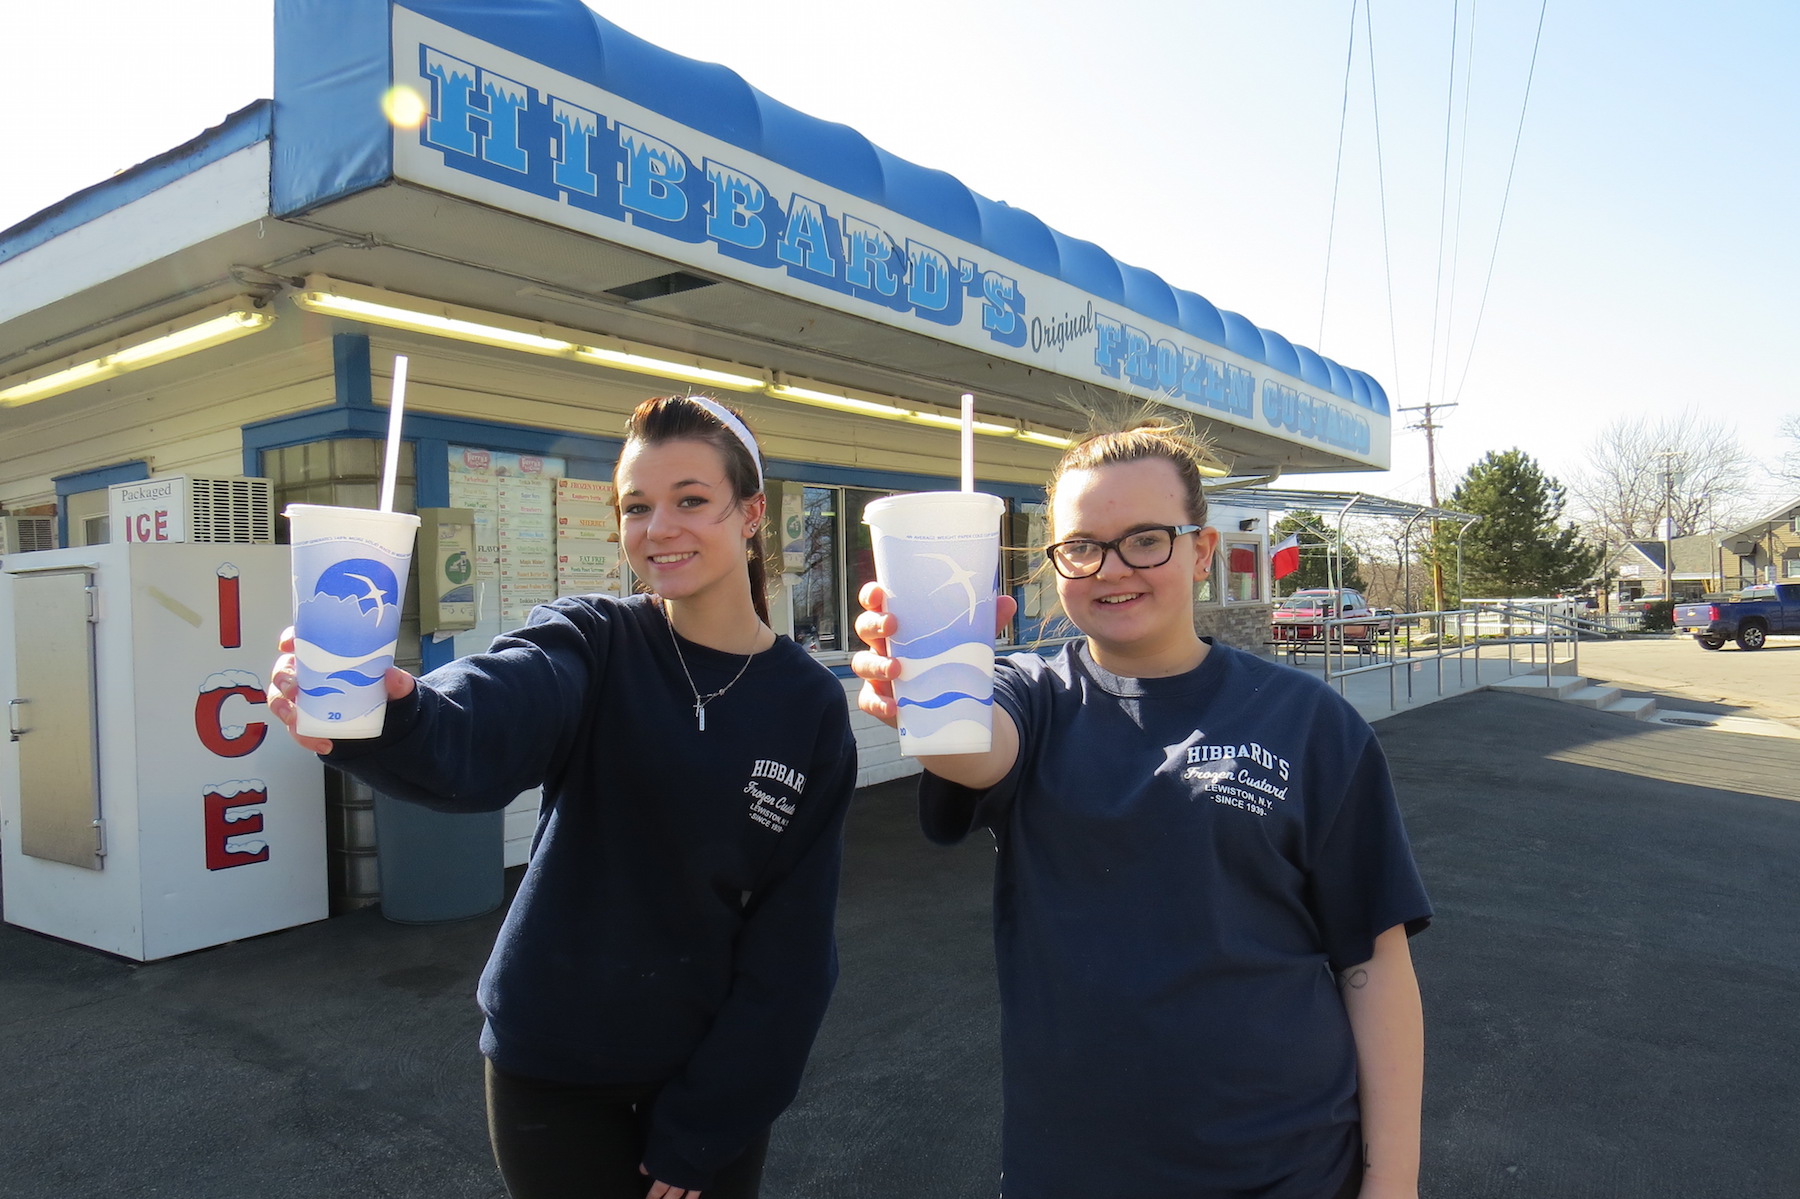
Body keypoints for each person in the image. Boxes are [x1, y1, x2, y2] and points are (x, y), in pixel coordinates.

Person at [268, 395, 859, 1199]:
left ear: (751, 513)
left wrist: (706, 1127)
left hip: (703, 1069)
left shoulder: (807, 705)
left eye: (691, 500)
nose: (660, 528)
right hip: (551, 1068)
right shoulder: (593, 639)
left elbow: (792, 951)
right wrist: (392, 711)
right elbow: (481, 725)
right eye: (637, 507)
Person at [851, 419, 1431, 1199]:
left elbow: (1375, 961)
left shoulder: (1309, 723)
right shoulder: (1033, 696)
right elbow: (969, 746)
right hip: (1074, 1172)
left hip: (1284, 1169)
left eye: (1146, 539)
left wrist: (1391, 1183)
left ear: (1202, 552)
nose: (1111, 568)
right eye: (1082, 546)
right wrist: (917, 680)